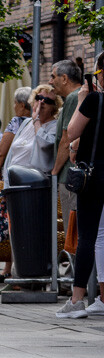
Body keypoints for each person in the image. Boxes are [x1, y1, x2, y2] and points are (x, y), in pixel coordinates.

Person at [57, 54, 104, 318]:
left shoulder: (94, 100)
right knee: (102, 237)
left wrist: (83, 100)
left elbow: (71, 132)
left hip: (93, 176)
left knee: (87, 236)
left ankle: (77, 300)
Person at [0, 87, 33, 283]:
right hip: (35, 177)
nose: (14, 106)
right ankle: (11, 268)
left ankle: (12, 270)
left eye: (16, 103)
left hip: (14, 178)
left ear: (22, 105)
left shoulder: (17, 122)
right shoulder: (39, 123)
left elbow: (1, 150)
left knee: (14, 224)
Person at [50, 60, 82, 239]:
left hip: (68, 174)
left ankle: (76, 266)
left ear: (64, 78)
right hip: (76, 173)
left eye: (53, 76)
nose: (50, 81)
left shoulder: (72, 98)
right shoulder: (82, 95)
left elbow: (66, 139)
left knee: (73, 230)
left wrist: (55, 171)